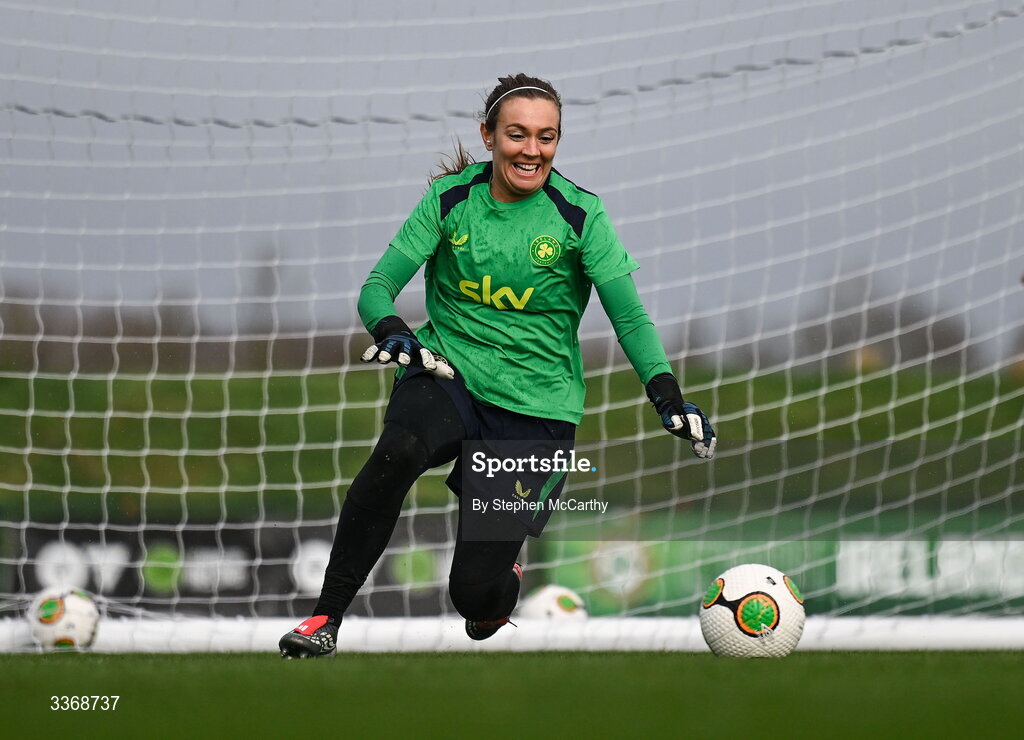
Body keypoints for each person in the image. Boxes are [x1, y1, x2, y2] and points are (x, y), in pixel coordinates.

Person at [279, 73, 716, 658]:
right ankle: (324, 619)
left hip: (537, 407)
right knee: (398, 450)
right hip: (447, 373)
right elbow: (378, 286)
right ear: (488, 136)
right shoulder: (450, 201)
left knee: (475, 596)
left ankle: (500, 579)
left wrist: (667, 396)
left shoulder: (582, 217)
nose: (531, 150)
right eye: (517, 135)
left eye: (547, 137)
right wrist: (394, 333)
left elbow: (630, 320)